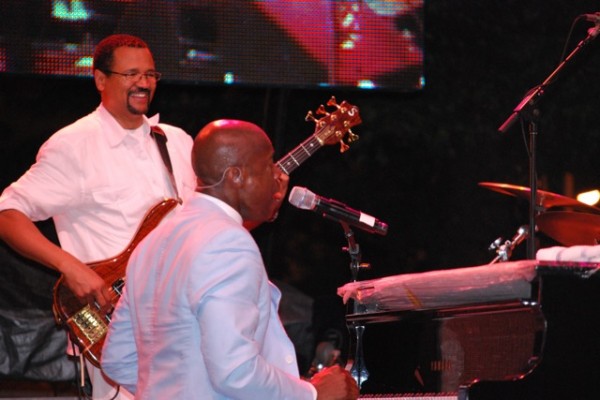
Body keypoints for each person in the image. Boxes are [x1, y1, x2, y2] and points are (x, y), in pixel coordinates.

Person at [101, 119, 360, 400]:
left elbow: (118, 359)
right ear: (236, 176)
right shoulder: (228, 242)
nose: (277, 177)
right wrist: (312, 393)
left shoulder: (152, 243)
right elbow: (235, 371)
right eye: (267, 166)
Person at [0, 34, 198, 399]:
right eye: (132, 74)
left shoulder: (176, 141)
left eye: (151, 74)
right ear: (101, 79)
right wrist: (70, 267)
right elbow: (8, 212)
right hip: (112, 321)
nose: (144, 83)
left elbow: (205, 232)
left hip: (182, 317)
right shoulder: (74, 145)